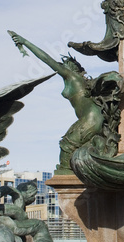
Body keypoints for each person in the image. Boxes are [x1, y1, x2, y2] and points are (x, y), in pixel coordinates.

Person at [9, 31, 104, 174]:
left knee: (67, 145)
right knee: (74, 149)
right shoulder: (80, 81)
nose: (62, 66)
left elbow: (46, 59)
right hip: (93, 118)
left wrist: (25, 42)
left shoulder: (71, 76)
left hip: (91, 119)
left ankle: (68, 180)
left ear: (72, 67)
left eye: (65, 64)